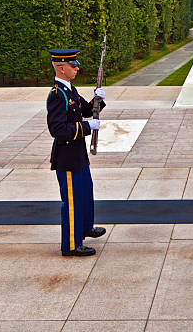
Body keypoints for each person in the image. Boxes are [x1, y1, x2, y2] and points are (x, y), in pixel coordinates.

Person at [46, 49, 107, 256]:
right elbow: (57, 130)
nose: (77, 68)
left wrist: (98, 100)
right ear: (62, 68)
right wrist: (88, 128)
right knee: (72, 202)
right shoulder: (57, 95)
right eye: (73, 65)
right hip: (67, 158)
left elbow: (86, 111)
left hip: (78, 155)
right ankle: (71, 245)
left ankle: (84, 227)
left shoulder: (69, 90)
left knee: (85, 194)